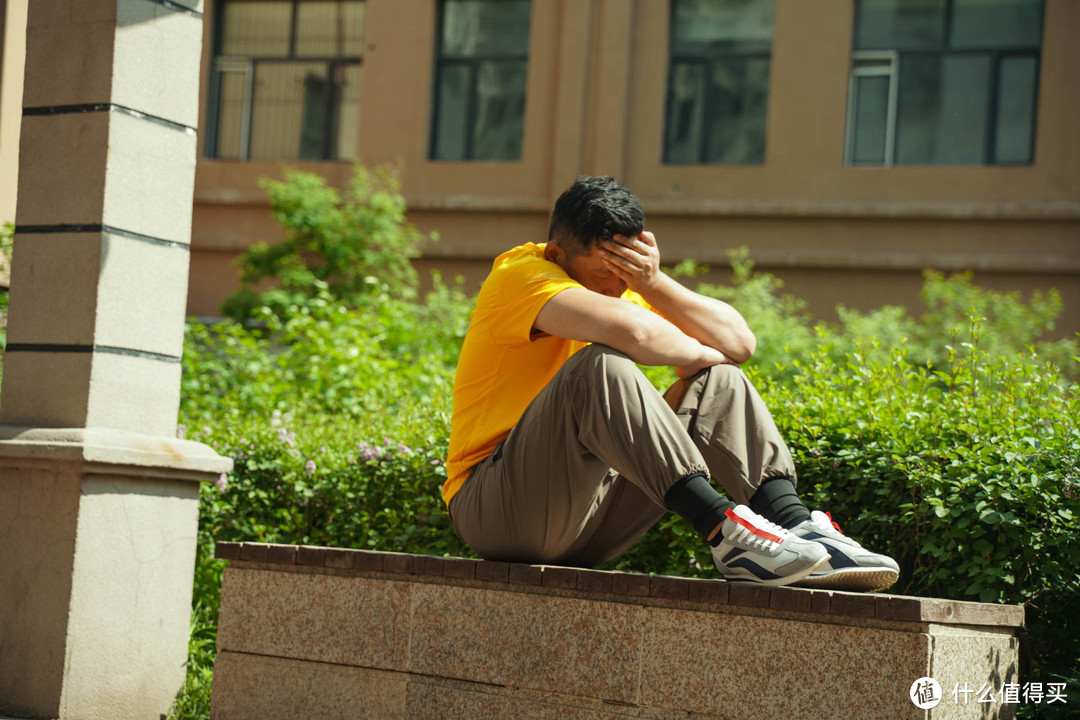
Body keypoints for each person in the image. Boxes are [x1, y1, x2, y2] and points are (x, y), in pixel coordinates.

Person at [444, 176, 899, 591]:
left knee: (718, 379)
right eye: (605, 272)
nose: (616, 286)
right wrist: (700, 350)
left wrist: (655, 281)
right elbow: (636, 334)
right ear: (559, 253)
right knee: (599, 367)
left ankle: (798, 526)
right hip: (495, 506)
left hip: (589, 523)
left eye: (626, 272)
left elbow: (739, 342)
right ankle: (725, 531)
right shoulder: (520, 275)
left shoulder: (622, 286)